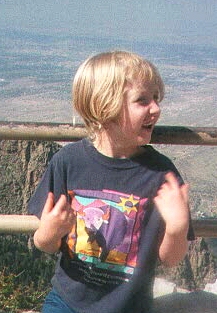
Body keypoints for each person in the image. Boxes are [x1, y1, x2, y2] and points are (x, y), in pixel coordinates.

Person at [28, 51, 194, 313]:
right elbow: (45, 244)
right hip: (67, 303)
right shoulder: (68, 162)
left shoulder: (161, 174)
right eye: (142, 100)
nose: (156, 108)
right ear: (105, 106)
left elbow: (170, 259)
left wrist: (177, 227)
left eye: (156, 98)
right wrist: (49, 232)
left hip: (130, 307)